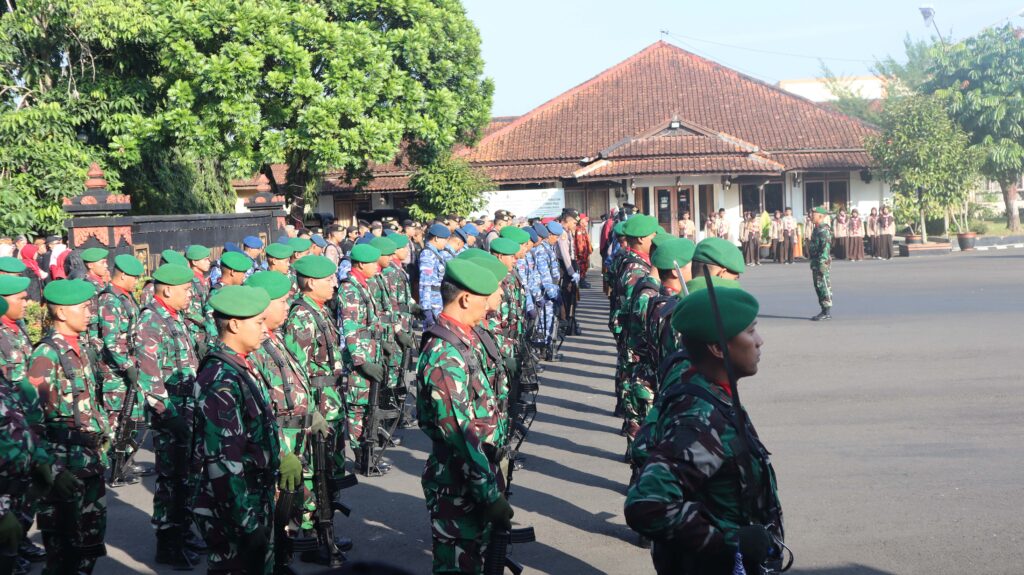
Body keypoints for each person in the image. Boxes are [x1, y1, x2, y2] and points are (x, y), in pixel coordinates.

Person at [625, 287, 784, 575]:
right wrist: (732, 541)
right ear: (719, 348)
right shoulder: (700, 418)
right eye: (750, 332)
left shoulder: (709, 389)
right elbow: (647, 504)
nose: (759, 342)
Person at [416, 258, 511, 575]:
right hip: (459, 485)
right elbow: (461, 433)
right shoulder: (445, 352)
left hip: (475, 476)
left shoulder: (465, 338)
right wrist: (490, 493)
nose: (490, 306)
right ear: (466, 298)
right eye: (485, 299)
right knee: (458, 565)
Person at [192, 285, 289, 574]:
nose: (263, 328)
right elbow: (223, 461)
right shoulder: (221, 378)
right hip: (235, 509)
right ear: (234, 324)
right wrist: (246, 525)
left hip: (251, 498)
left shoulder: (239, 367)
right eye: (258, 322)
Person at [28, 279, 110, 574]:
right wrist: (52, 473)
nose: (90, 312)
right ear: (62, 312)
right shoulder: (46, 356)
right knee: (63, 557)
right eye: (84, 307)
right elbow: (31, 425)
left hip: (88, 465)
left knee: (88, 549)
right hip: (64, 472)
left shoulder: (81, 348)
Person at [133, 264, 204, 569]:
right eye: (186, 290)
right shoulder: (151, 320)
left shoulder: (174, 317)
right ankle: (167, 542)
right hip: (171, 415)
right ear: (167, 290)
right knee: (171, 480)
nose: (191, 294)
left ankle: (182, 532)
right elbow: (149, 375)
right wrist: (169, 414)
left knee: (186, 478)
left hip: (186, 410)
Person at [95, 254, 147, 487]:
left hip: (129, 367)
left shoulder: (125, 296)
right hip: (115, 372)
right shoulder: (110, 300)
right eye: (134, 277)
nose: (136, 281)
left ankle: (125, 460)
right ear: (123, 275)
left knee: (130, 420)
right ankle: (114, 468)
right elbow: (111, 340)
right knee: (118, 420)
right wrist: (127, 366)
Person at [418, 224, 451, 328]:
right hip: (432, 302)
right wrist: (426, 308)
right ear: (436, 238)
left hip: (438, 299)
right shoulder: (428, 254)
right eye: (445, 239)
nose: (446, 243)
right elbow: (425, 282)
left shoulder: (436, 253)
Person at [808, 207, 833, 321]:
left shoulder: (823, 230)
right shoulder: (817, 229)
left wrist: (822, 263)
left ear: (821, 217)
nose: (811, 216)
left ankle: (826, 311)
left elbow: (825, 248)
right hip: (816, 261)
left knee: (823, 285)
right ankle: (823, 309)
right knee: (818, 285)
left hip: (821, 262)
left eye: (814, 214)